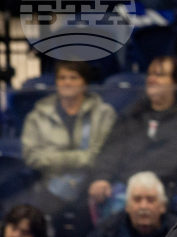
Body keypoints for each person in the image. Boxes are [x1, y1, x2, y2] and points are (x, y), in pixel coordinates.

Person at [88, 56, 177, 221]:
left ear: (175, 83)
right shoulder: (133, 113)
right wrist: (102, 177)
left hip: (175, 186)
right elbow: (112, 149)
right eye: (150, 74)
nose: (152, 79)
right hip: (130, 187)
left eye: (160, 74)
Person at [21, 61, 116, 211]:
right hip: (48, 185)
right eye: (62, 78)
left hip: (91, 184)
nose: (67, 82)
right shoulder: (37, 116)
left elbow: (100, 156)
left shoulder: (104, 113)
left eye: (73, 77)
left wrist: (53, 158)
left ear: (84, 82)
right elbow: (32, 156)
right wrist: (80, 157)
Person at [84, 172, 177, 237]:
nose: (143, 206)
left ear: (163, 206)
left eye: (150, 200)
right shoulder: (106, 231)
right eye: (137, 199)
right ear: (127, 206)